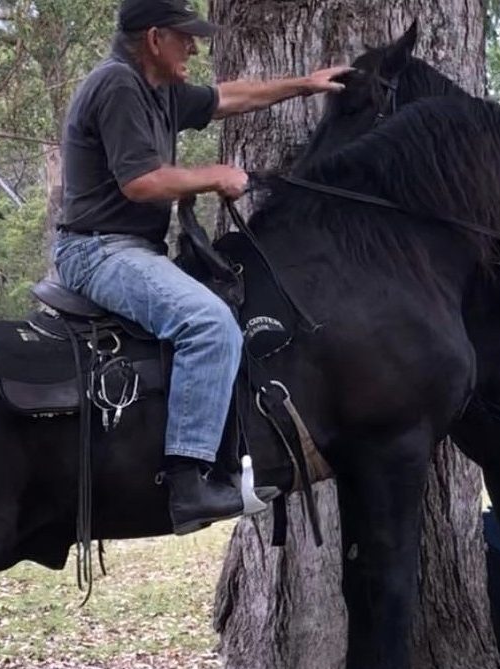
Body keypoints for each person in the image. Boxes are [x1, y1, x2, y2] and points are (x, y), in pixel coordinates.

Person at [54, 0, 349, 535]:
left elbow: (229, 97)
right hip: (98, 251)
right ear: (154, 39)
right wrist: (213, 174)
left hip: (129, 248)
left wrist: (306, 84)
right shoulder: (117, 86)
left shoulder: (158, 89)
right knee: (208, 324)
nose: (195, 46)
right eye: (185, 37)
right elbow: (140, 182)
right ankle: (188, 483)